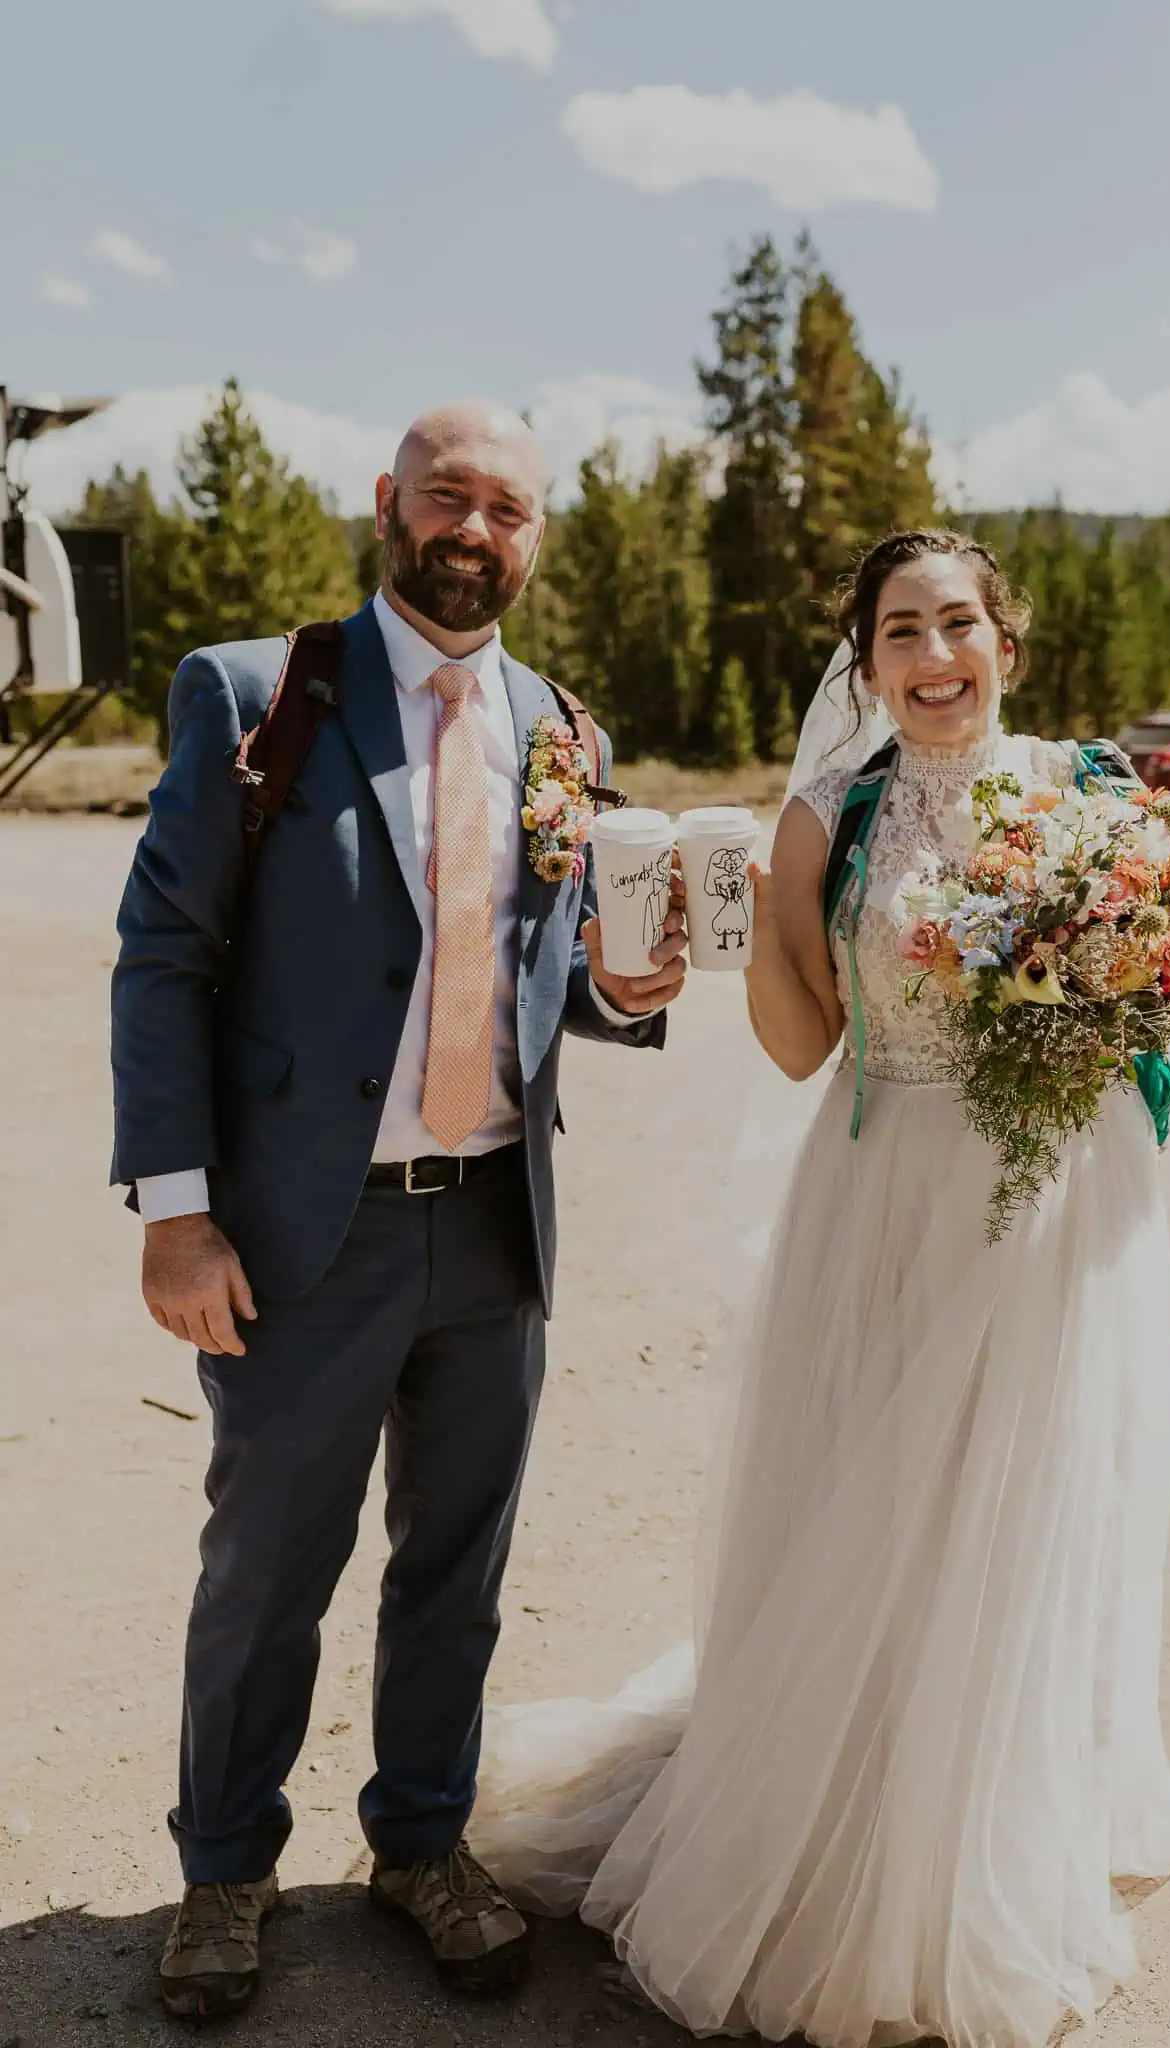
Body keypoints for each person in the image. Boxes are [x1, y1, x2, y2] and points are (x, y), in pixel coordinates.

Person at [472, 529, 1170, 2048]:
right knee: (882, 1501)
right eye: (900, 635)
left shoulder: (1093, 797)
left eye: (957, 626)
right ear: (863, 663)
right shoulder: (825, 816)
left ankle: (995, 1817)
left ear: (1008, 638)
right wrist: (745, 936)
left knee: (1028, 1502)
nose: (934, 660)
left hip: (1061, 1199)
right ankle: (851, 1817)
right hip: (888, 1198)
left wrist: (1141, 974)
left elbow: (1154, 1001)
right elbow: (803, 1047)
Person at [109, 402, 687, 2020]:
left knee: (459, 1566)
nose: (475, 531)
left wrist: (627, 991)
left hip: (497, 1224)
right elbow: (165, 959)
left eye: (508, 509)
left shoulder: (562, 727)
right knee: (270, 1567)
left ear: (535, 539)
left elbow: (545, 970)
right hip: (309, 1231)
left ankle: (421, 1843)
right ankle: (224, 1871)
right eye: (449, 497)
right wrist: (175, 1210)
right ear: (388, 505)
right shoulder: (261, 693)